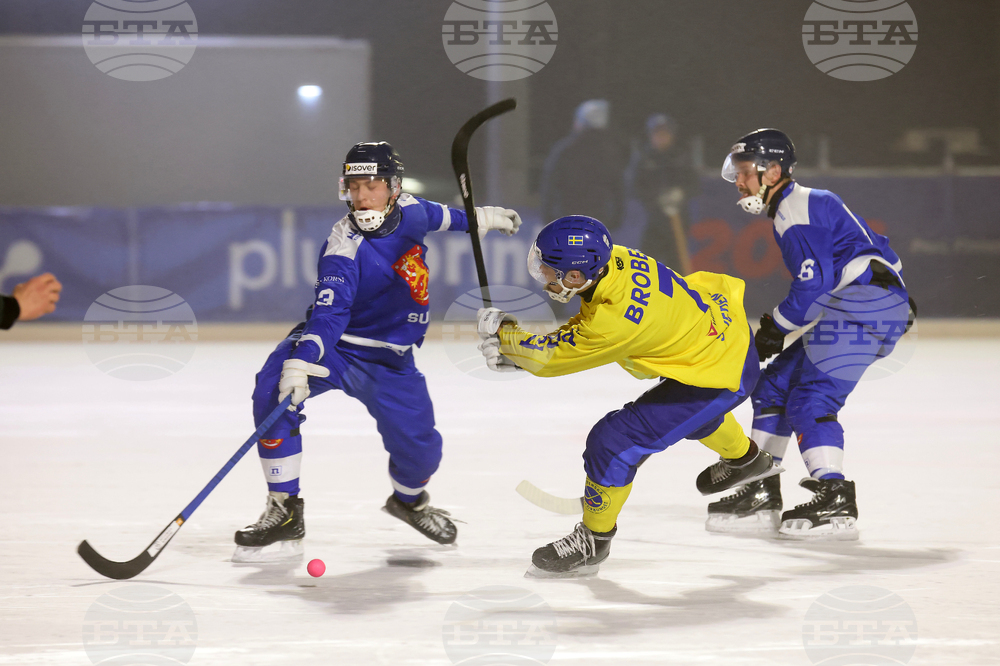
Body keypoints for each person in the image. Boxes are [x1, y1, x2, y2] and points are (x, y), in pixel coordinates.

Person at [233, 141, 522, 562]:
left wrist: (479, 219)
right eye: (354, 186)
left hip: (391, 360)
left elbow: (443, 216)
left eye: (372, 185)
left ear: (393, 187)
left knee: (422, 450)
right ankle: (284, 509)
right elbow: (330, 316)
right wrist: (302, 361)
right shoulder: (342, 248)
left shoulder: (413, 211)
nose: (363, 196)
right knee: (271, 390)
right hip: (338, 348)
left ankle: (408, 501)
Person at [475, 215, 780, 577]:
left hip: (717, 372)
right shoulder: (614, 257)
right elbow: (584, 331)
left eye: (548, 269)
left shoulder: (618, 319)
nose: (541, 271)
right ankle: (748, 460)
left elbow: (550, 358)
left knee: (613, 441)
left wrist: (508, 336)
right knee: (690, 417)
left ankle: (594, 540)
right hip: (722, 335)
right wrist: (520, 355)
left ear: (576, 276)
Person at [706, 129, 912, 541]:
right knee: (774, 388)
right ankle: (760, 488)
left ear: (774, 170)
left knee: (811, 397)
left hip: (863, 304)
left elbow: (813, 288)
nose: (740, 183)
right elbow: (882, 256)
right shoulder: (802, 204)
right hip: (864, 303)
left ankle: (834, 495)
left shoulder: (796, 209)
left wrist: (773, 329)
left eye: (746, 172)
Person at [623, 114, 699, 272]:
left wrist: (680, 194)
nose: (661, 138)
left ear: (672, 135)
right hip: (653, 222)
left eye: (665, 134)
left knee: (677, 267)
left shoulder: (681, 155)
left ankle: (678, 296)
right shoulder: (643, 157)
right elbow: (634, 187)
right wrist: (656, 198)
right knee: (646, 266)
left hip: (678, 220)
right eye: (656, 134)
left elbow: (694, 184)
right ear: (650, 136)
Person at [540, 100, 627, 229]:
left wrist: (549, 218)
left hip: (567, 220)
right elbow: (619, 190)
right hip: (597, 221)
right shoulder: (610, 152)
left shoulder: (565, 150)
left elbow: (549, 186)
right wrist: (615, 221)